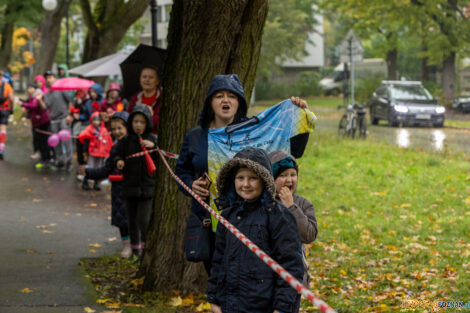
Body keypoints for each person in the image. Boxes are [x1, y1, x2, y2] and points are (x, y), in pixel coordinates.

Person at [175, 74, 310, 274]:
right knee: (218, 279)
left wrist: (298, 115)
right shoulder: (196, 136)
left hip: (250, 221)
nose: (225, 100)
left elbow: (293, 151)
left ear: (240, 102)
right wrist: (190, 185)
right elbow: (181, 171)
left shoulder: (254, 131)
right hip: (210, 222)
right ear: (210, 102)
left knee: (247, 279)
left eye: (232, 96)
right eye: (219, 96)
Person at [207, 147, 304, 313]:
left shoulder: (279, 216)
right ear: (233, 180)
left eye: (253, 178)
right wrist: (214, 299)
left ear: (264, 180)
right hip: (230, 305)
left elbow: (291, 265)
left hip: (265, 306)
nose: (245, 184)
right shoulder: (227, 216)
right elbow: (218, 261)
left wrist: (282, 307)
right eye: (240, 178)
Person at [78, 111, 131, 257]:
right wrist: (88, 172)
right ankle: (126, 246)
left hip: (134, 188)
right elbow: (106, 170)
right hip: (118, 190)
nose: (116, 132)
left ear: (127, 127)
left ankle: (137, 245)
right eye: (113, 129)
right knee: (122, 220)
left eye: (120, 128)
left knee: (135, 218)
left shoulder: (136, 146)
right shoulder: (114, 149)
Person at [114, 105, 158, 259]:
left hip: (147, 189)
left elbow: (161, 157)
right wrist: (119, 160)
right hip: (129, 188)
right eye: (135, 122)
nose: (138, 125)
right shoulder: (126, 141)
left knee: (144, 220)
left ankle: (146, 251)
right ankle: (135, 251)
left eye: (142, 122)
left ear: (147, 124)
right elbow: (116, 154)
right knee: (131, 221)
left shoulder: (153, 139)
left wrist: (154, 147)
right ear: (131, 123)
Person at [269, 151, 318, 286]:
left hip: (294, 274)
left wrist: (291, 207)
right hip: (267, 274)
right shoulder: (265, 203)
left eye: (293, 174)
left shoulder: (303, 204)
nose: (289, 180)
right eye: (282, 175)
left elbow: (309, 235)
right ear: (271, 179)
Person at [40, 71, 74, 170]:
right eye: (46, 78)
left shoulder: (61, 89)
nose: (48, 80)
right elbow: (45, 107)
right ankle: (60, 160)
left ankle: (69, 161)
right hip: (53, 120)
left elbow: (70, 102)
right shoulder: (47, 94)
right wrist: (39, 99)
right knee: (56, 142)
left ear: (55, 78)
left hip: (64, 118)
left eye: (50, 77)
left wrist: (70, 115)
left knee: (66, 140)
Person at [78, 112, 113, 191]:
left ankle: (96, 184)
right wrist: (85, 154)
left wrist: (109, 151)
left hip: (101, 154)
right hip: (93, 153)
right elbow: (86, 142)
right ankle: (85, 182)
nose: (96, 122)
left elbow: (108, 141)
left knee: (99, 169)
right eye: (94, 120)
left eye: (98, 120)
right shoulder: (89, 130)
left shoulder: (104, 130)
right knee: (90, 168)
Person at [21, 84, 52, 169]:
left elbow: (34, 106)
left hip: (43, 123)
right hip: (35, 123)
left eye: (31, 88)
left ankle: (47, 160)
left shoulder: (37, 96)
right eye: (28, 88)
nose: (29, 90)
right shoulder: (31, 98)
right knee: (39, 142)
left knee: (44, 142)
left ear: (35, 89)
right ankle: (43, 159)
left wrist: (22, 104)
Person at [127, 67, 161, 134]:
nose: (147, 80)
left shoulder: (162, 98)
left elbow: (165, 122)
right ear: (140, 79)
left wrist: (151, 116)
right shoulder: (135, 98)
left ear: (157, 81)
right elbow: (128, 118)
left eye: (151, 77)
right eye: (144, 77)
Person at [0, 70, 15, 160]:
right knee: (3, 129)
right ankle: (1, 148)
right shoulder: (7, 86)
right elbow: (12, 98)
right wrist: (11, 108)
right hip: (5, 109)